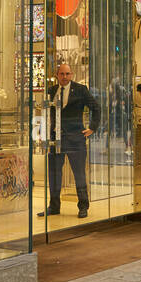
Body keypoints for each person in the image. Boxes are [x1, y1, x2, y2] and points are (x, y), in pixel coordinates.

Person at [38, 63, 101, 219]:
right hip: (55, 140)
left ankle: (83, 206)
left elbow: (96, 108)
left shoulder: (80, 90)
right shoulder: (51, 91)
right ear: (57, 75)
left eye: (67, 74)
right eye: (61, 74)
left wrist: (92, 127)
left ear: (71, 75)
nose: (64, 77)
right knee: (54, 173)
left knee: (79, 173)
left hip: (75, 140)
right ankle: (54, 206)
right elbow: (46, 113)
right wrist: (43, 132)